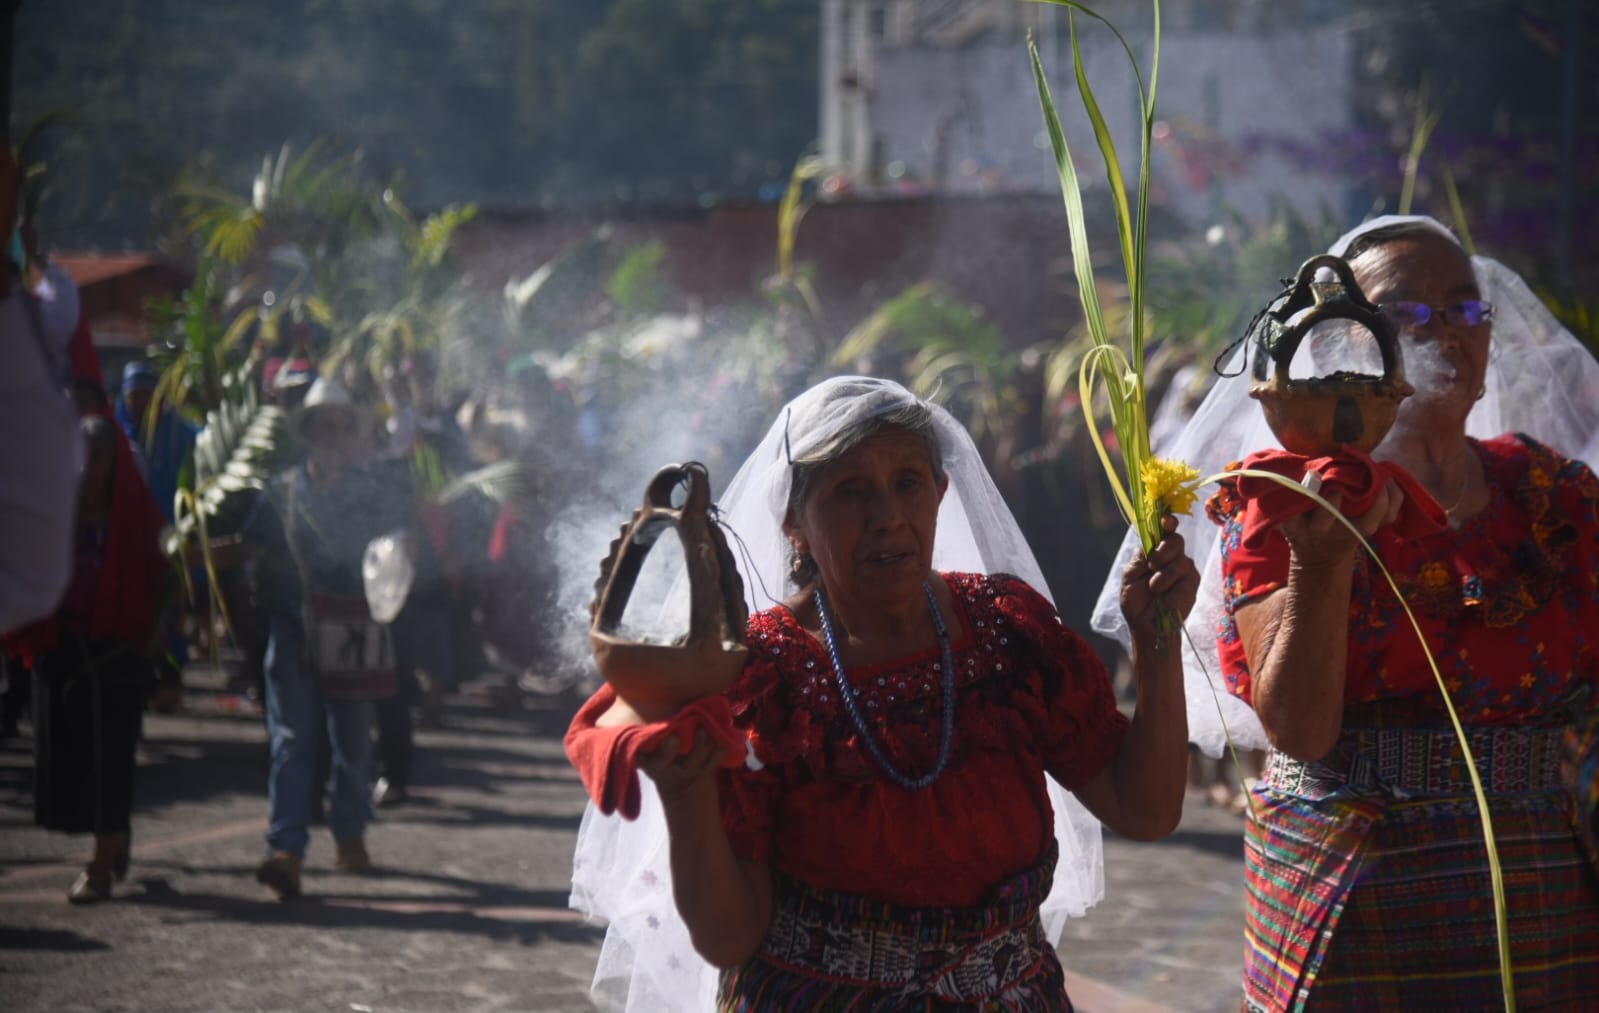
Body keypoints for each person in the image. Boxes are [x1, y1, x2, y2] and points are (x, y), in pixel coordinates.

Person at [1094, 215, 1599, 1010]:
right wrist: (1320, 559)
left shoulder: (1551, 497)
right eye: (1405, 314)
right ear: (1340, 348)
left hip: (1531, 884)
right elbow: (1298, 726)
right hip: (1354, 883)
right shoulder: (1290, 499)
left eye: (1464, 310)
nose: (1443, 334)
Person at [569, 375, 1199, 1009]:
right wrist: (685, 790)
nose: (888, 517)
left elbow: (1143, 810)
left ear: (940, 493)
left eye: (908, 483)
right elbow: (730, 936)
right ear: (794, 521)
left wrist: (1155, 644)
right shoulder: (766, 678)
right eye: (850, 491)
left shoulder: (1008, 633)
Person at [243, 377, 415, 899]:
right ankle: (286, 849)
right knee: (292, 743)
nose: (335, 434)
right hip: (295, 631)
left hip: (356, 633)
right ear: (311, 430)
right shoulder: (283, 490)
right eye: (326, 425)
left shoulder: (373, 492)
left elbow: (399, 550)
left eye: (344, 425)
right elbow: (253, 553)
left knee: (354, 743)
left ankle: (349, 832)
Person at [4, 414, 167, 902]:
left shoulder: (137, 518)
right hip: (68, 652)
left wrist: (154, 642)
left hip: (118, 655)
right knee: (76, 761)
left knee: (113, 761)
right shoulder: (58, 515)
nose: (88, 469)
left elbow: (161, 579)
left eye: (98, 458)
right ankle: (113, 842)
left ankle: (99, 866)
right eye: (82, 457)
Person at [116, 359, 198, 525]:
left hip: (173, 525)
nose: (138, 401)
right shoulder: (119, 434)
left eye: (145, 395)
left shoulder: (178, 432)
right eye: (133, 395)